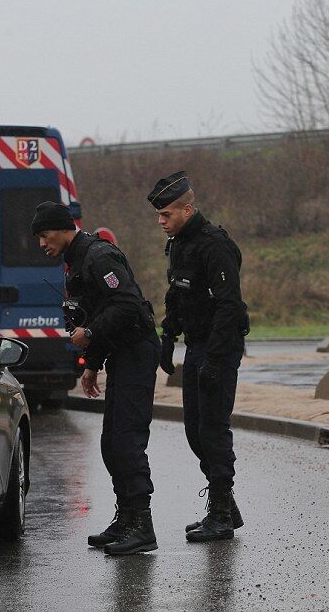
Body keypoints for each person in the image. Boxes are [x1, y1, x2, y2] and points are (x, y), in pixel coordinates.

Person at [31, 201, 161, 556]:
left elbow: (127, 305)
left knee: (127, 439)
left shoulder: (99, 257)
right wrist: (93, 364)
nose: (42, 243)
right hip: (121, 351)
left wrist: (88, 333)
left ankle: (142, 525)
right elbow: (103, 311)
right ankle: (126, 519)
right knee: (111, 442)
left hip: (137, 350)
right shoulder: (76, 260)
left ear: (61, 228)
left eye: (44, 235)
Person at [148, 171, 249, 542]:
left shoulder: (214, 245)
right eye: (159, 216)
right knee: (194, 429)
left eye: (167, 215)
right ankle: (224, 502)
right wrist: (168, 336)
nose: (161, 222)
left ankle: (221, 512)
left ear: (187, 209)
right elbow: (177, 294)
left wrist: (216, 360)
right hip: (195, 344)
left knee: (213, 427)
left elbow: (229, 307)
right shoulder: (178, 244)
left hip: (218, 345)